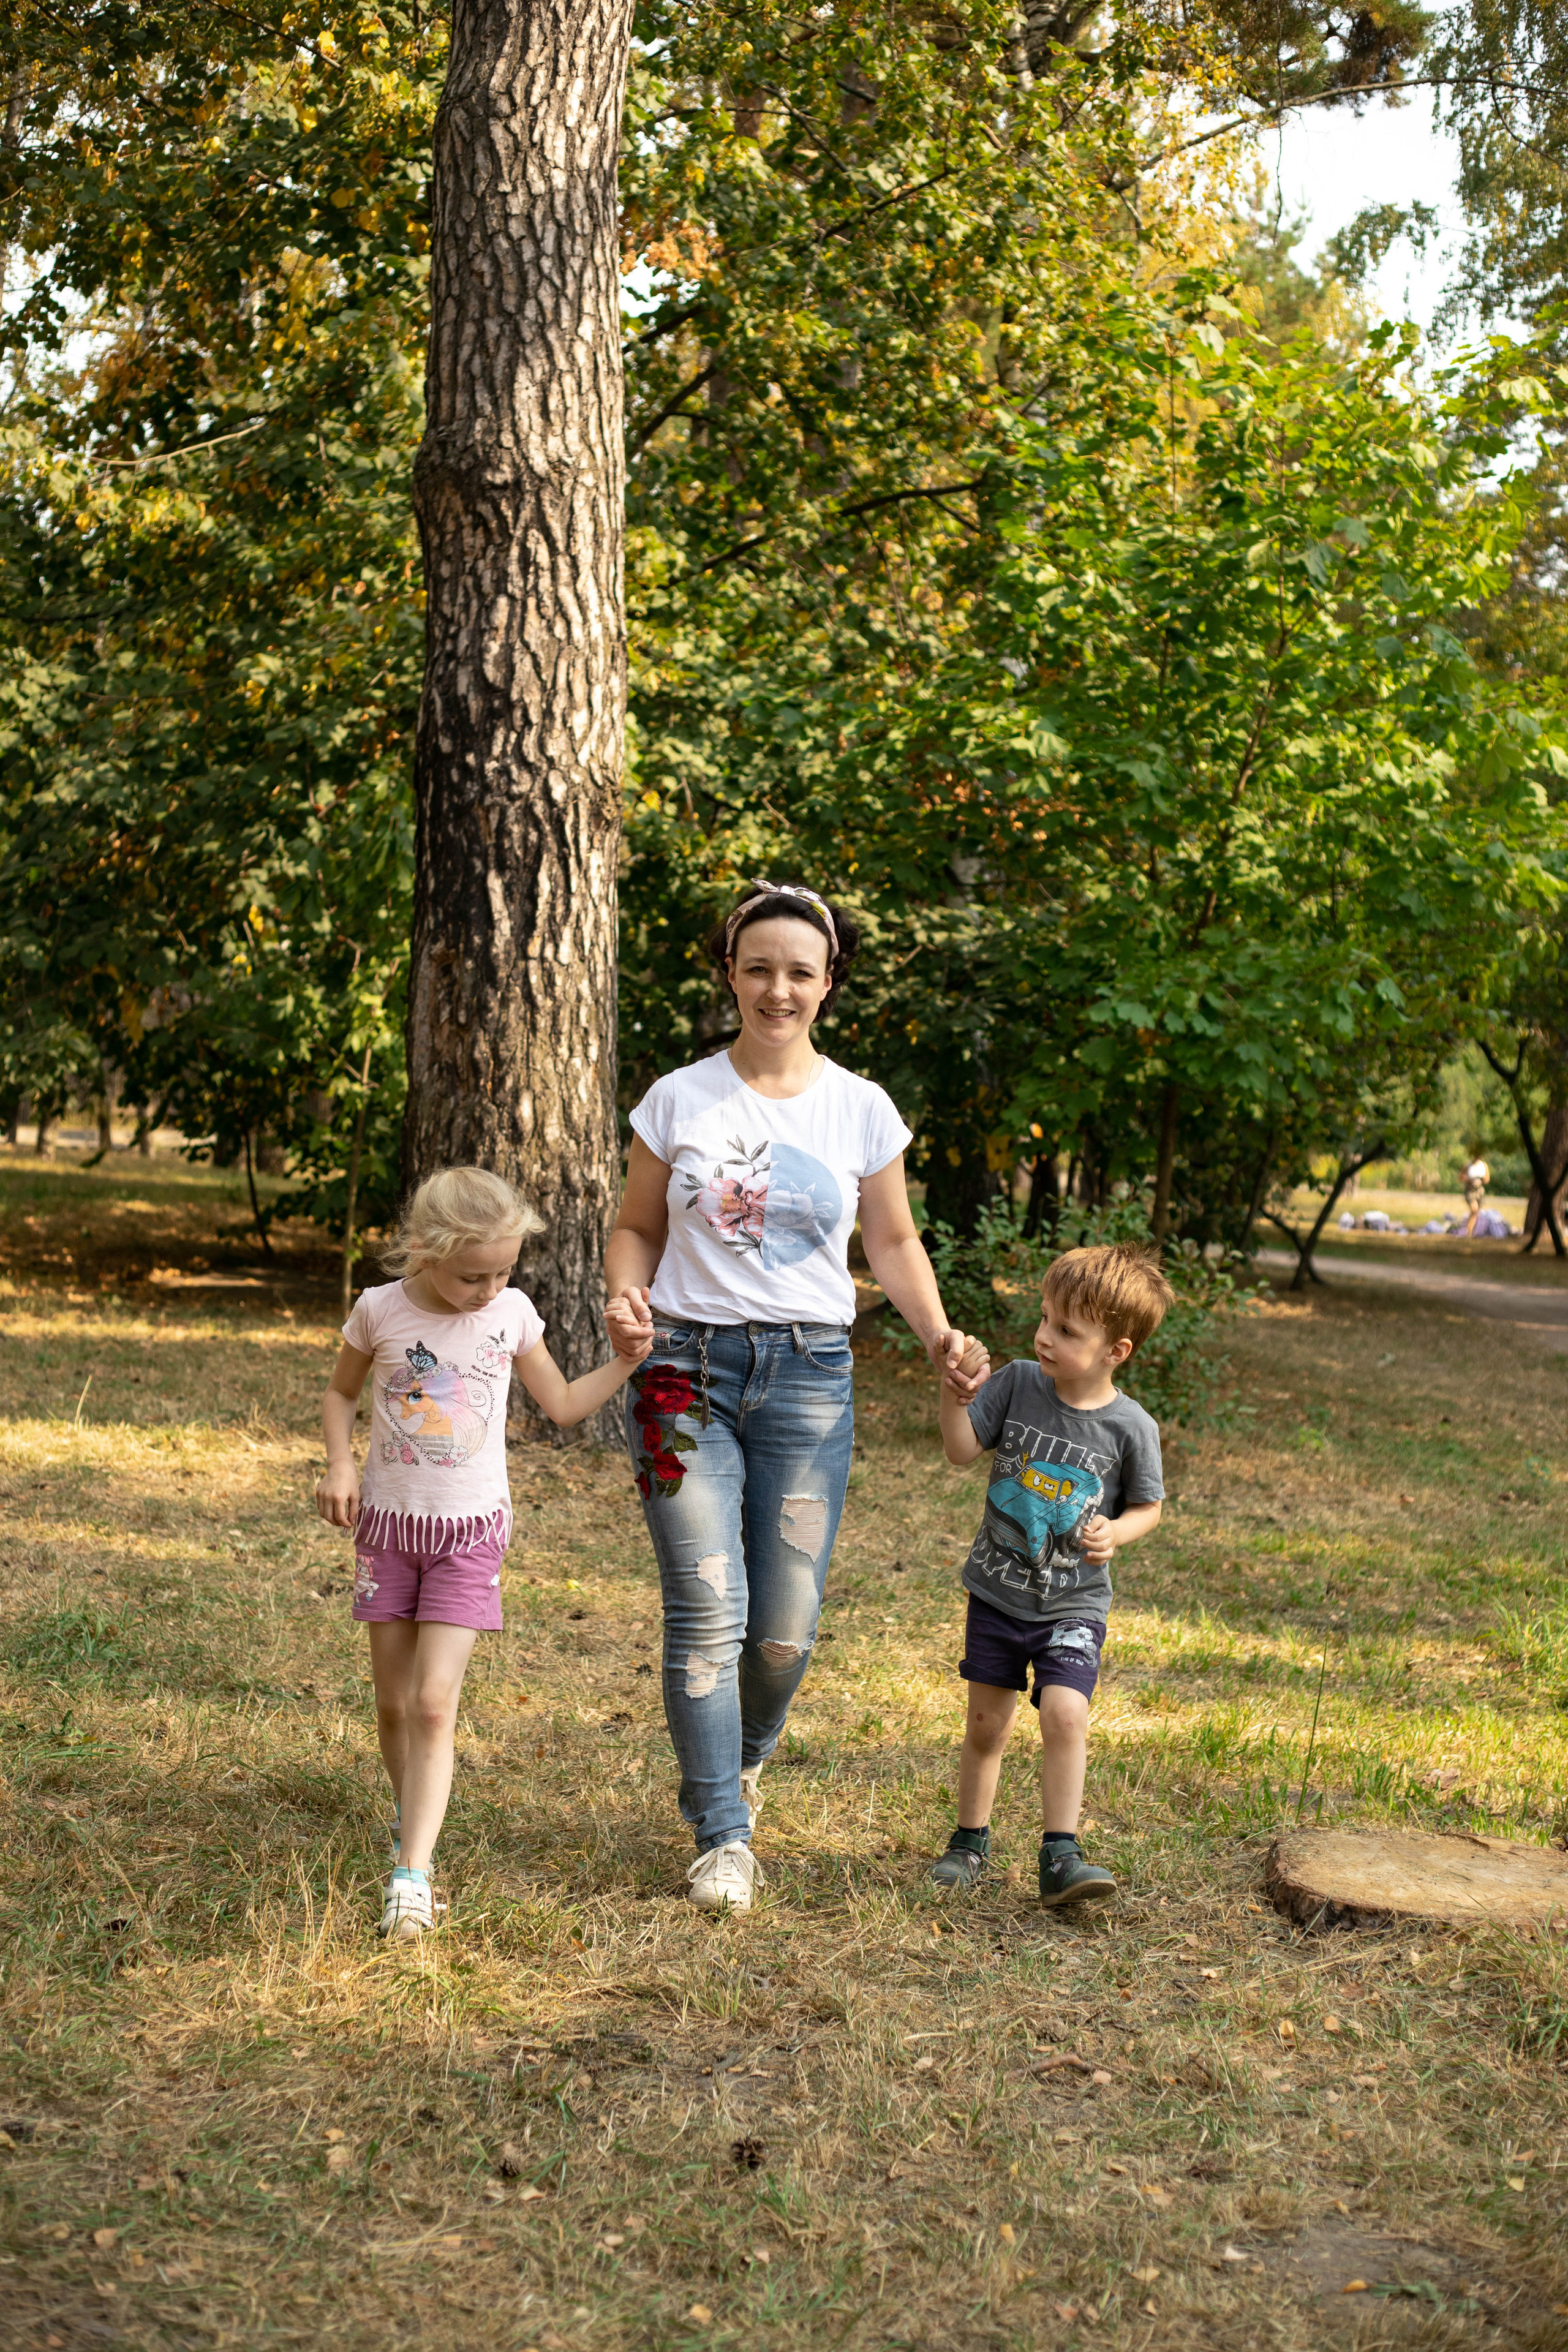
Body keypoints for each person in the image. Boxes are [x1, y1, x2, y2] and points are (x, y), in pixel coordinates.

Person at [603, 880, 983, 1914]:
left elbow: (892, 1242)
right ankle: (722, 1836)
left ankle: (740, 1760)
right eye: (759, 968)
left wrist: (940, 1337)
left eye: (800, 973)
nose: (779, 989)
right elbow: (637, 1226)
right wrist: (627, 1292)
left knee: (782, 1632)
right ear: (730, 974)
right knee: (705, 1606)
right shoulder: (677, 1099)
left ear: (829, 984)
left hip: (810, 1378)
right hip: (680, 1374)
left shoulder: (861, 1108)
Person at [315, 1166, 649, 1939]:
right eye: (473, 1276)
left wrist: (627, 1361)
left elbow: (562, 1405)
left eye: (503, 1273)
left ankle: (412, 1875)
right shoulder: (379, 1311)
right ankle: (410, 1821)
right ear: (425, 1252)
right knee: (394, 1706)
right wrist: (338, 1464)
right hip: (389, 1532)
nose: (490, 1289)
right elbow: (340, 1394)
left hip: (469, 1536)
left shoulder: (512, 1315)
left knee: (434, 1704)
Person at [930, 1245, 1171, 1908]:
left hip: (1073, 1603)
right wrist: (953, 1397)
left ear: (1115, 1351)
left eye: (1066, 1329)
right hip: (997, 1593)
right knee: (987, 1725)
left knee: (1066, 1715)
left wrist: (1116, 1531)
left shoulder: (1131, 1427)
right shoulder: (1016, 1384)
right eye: (1044, 1318)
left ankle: (1061, 1854)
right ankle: (968, 1843)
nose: (1044, 1336)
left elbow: (1149, 1507)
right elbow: (959, 1450)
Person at [1462, 1154, 1490, 1237]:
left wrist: (1481, 1180)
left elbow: (1487, 1179)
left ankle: (1471, 1231)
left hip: (1479, 1191)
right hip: (1470, 1190)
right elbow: (1461, 1177)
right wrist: (1470, 1180)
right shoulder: (1468, 1165)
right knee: (1474, 1209)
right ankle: (1469, 1232)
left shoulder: (1483, 1165)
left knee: (1476, 1212)